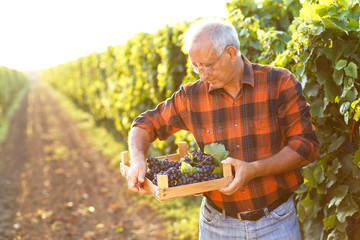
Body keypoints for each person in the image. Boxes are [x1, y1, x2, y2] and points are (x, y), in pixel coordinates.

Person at [126, 18, 320, 240]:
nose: (202, 75)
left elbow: (306, 146)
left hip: (276, 223)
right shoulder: (192, 96)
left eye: (208, 65)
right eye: (195, 66)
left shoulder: (279, 82)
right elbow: (144, 123)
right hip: (217, 226)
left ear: (230, 53)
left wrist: (254, 169)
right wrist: (138, 158)